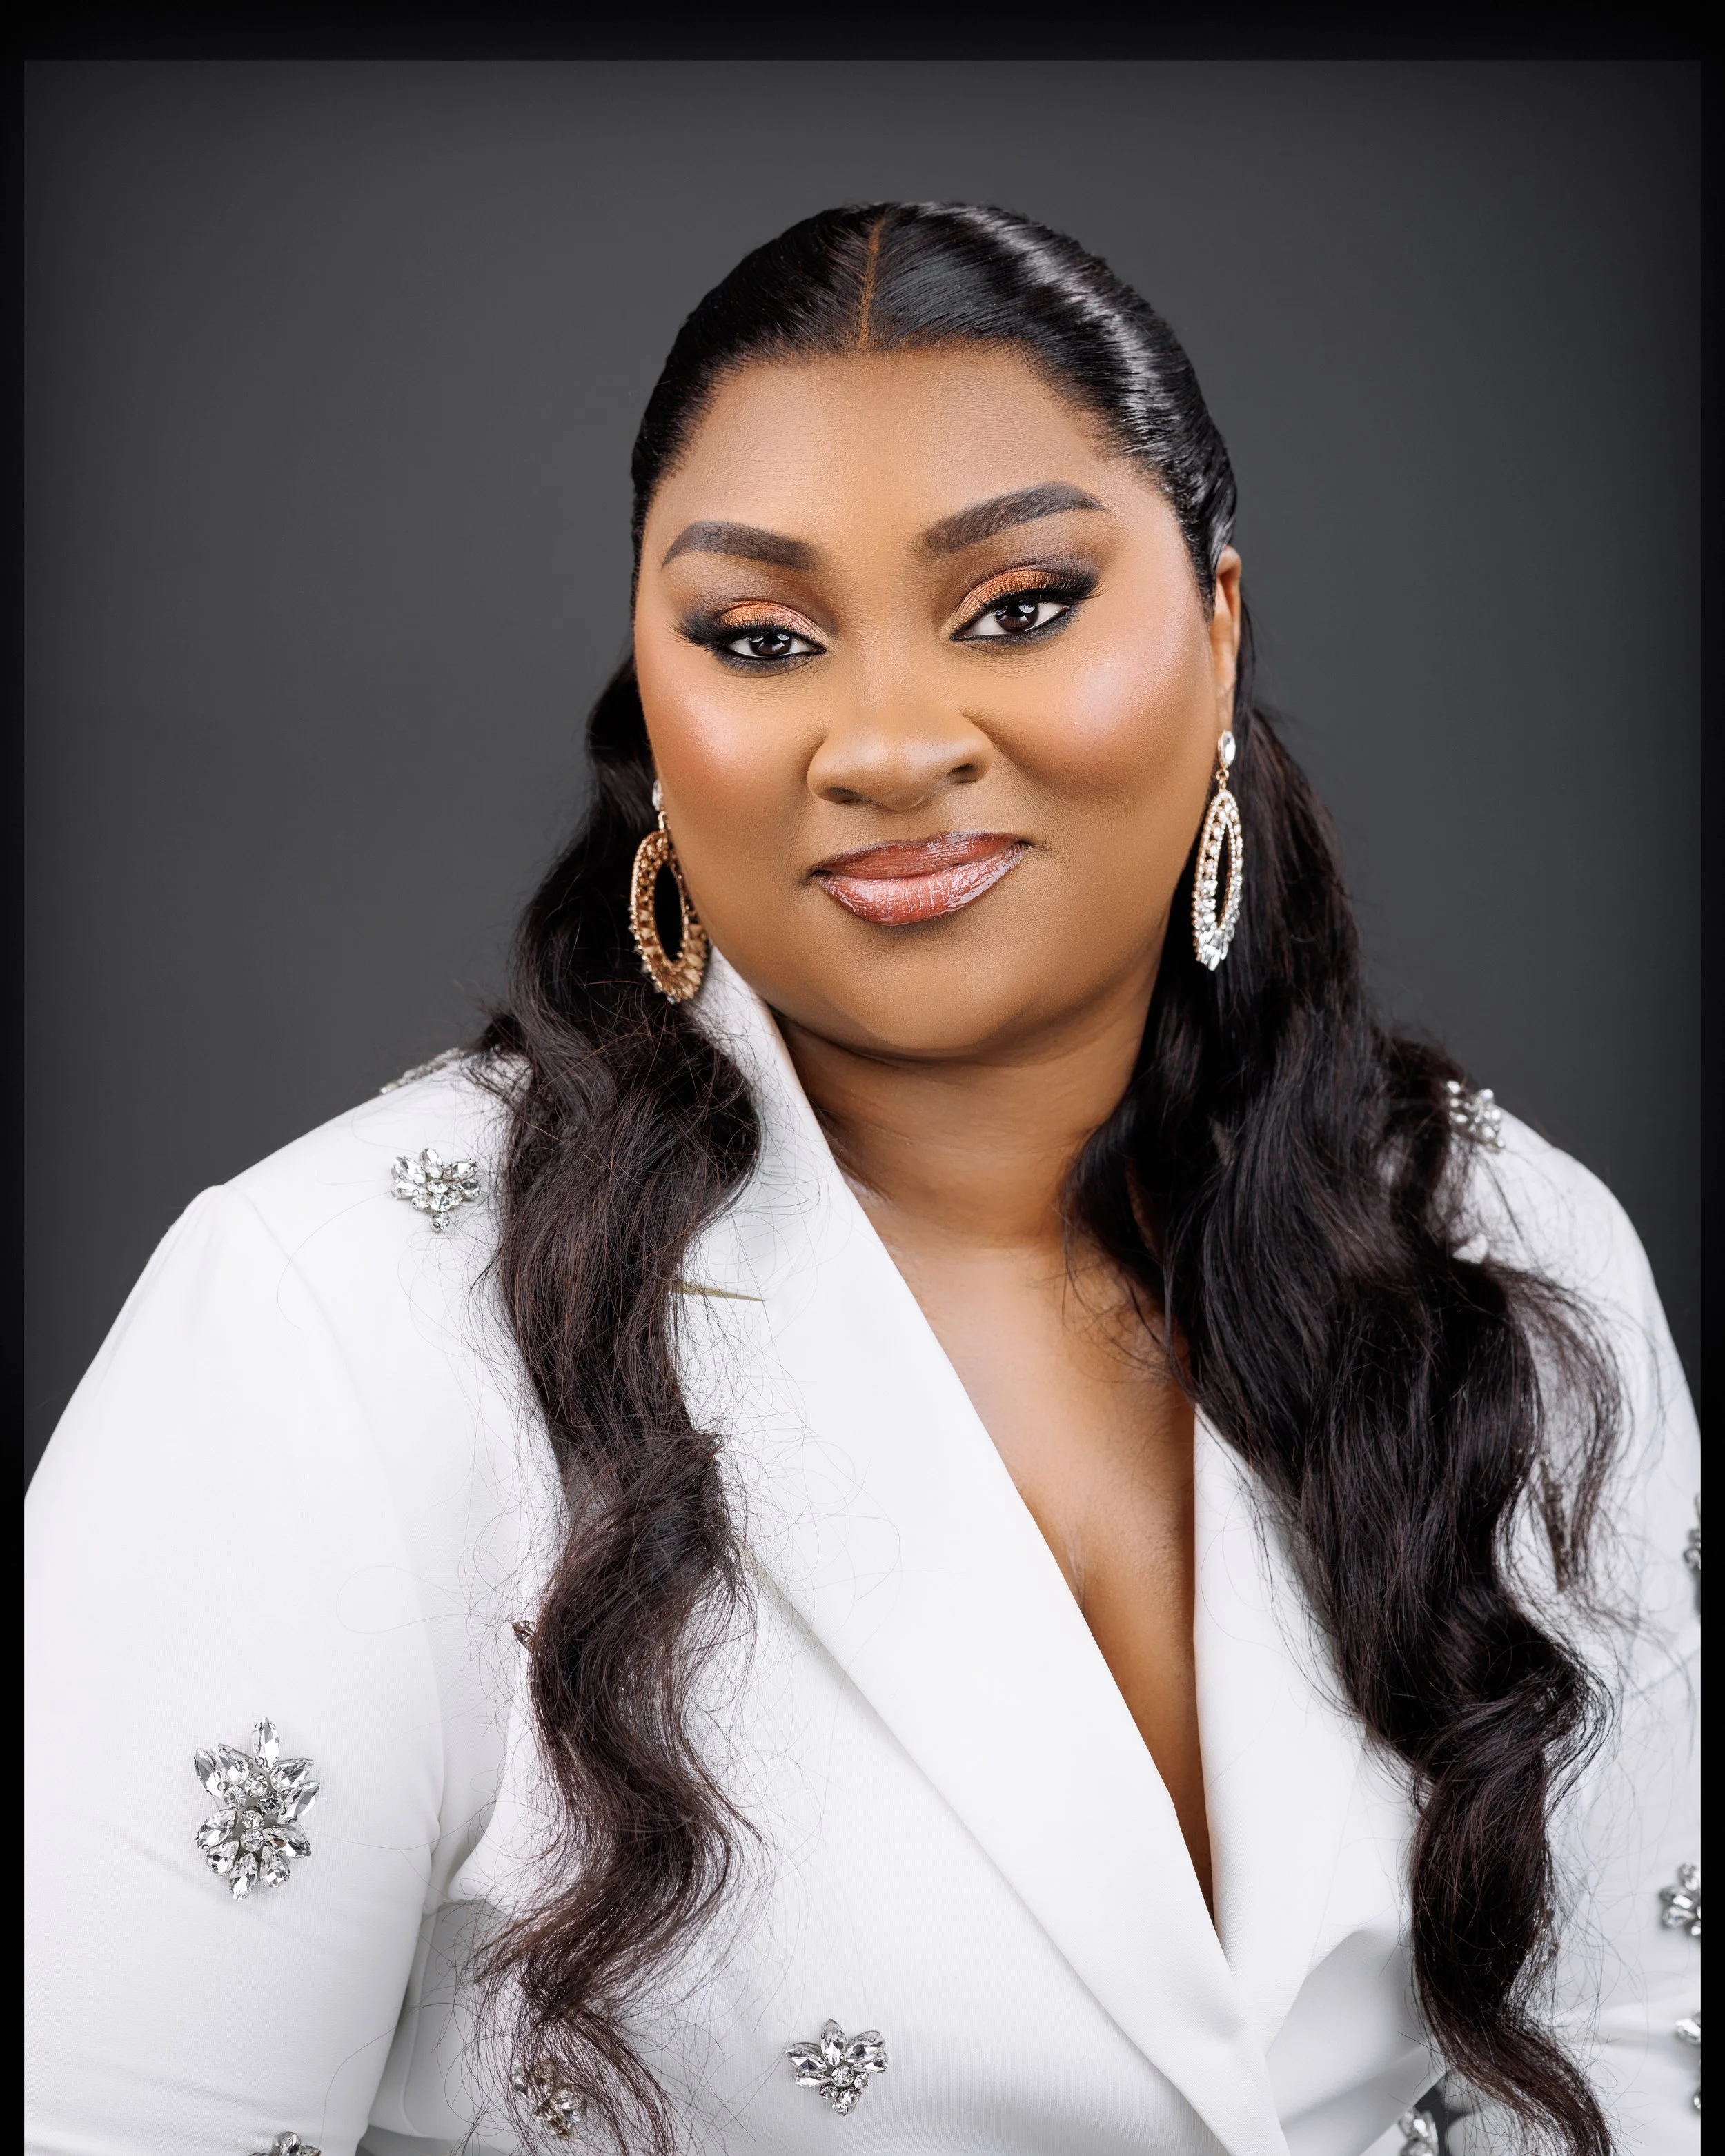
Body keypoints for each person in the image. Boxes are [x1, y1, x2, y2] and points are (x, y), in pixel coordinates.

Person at [25, 203, 1699, 2156]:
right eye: (760, 638)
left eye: (1017, 606)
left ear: (1220, 622)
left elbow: (1627, 2063)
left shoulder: (1498, 1246)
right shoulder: (329, 1324)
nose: (889, 743)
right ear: (655, 715)